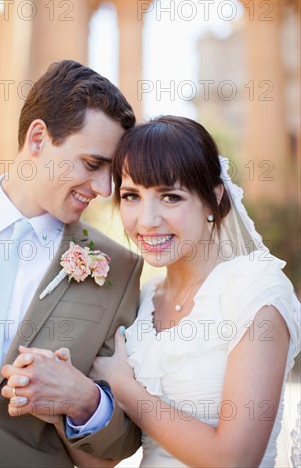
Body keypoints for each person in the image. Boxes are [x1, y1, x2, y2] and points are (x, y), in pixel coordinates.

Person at [0, 60, 143, 468]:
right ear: (37, 139)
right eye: (91, 164)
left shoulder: (118, 269)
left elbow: (124, 442)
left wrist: (85, 402)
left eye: (111, 174)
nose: (104, 189)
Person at [86, 116, 300, 467]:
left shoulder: (255, 289)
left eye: (170, 197)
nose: (147, 220)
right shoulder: (142, 301)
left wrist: (125, 390)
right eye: (131, 196)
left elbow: (235, 459)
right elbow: (104, 457)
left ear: (214, 199)